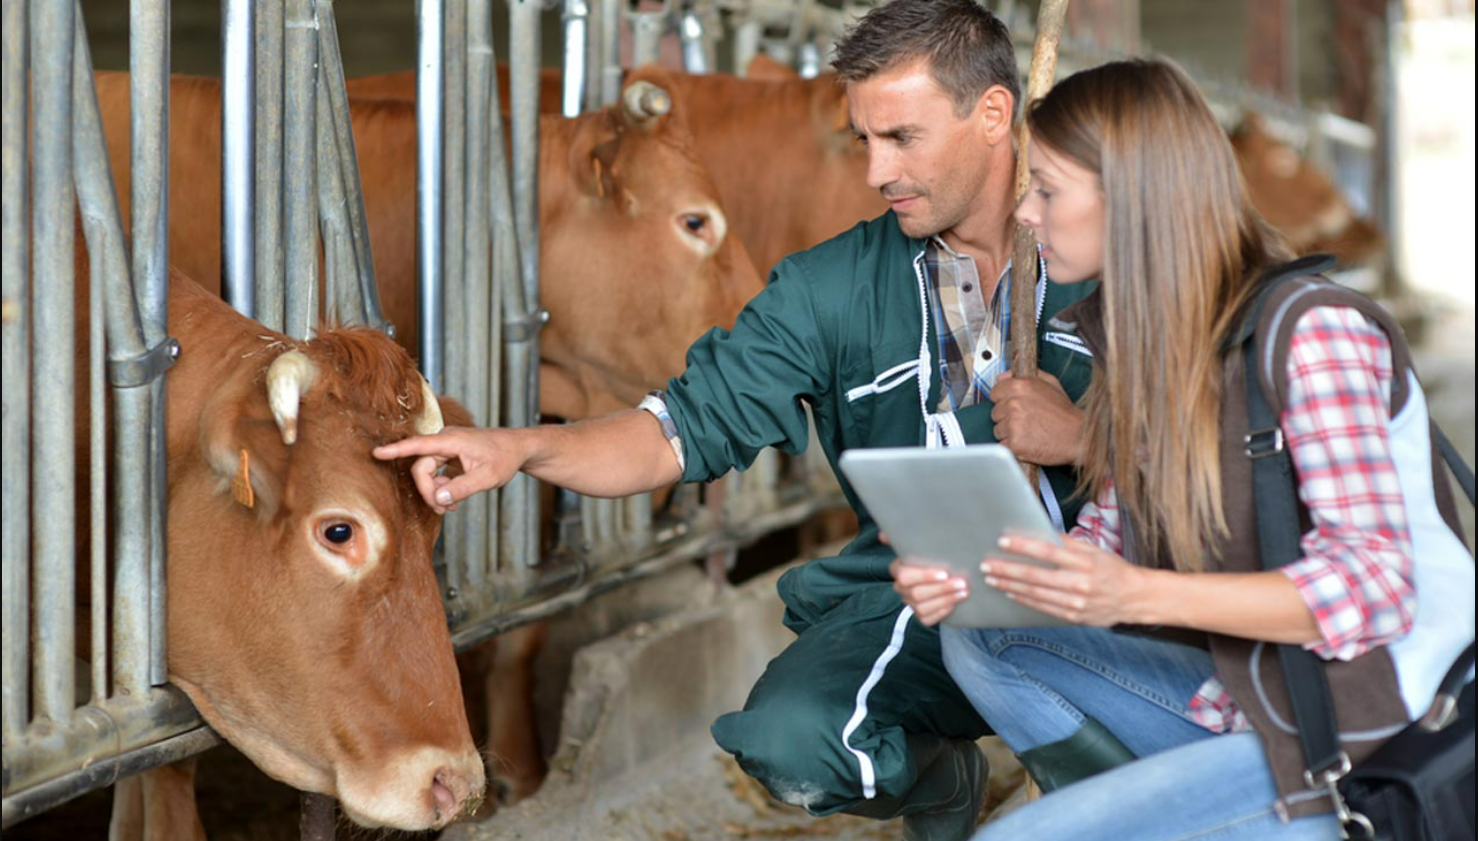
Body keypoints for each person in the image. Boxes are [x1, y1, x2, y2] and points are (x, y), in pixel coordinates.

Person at [373, 2, 1100, 837]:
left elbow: (1239, 446)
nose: (875, 171)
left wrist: (1083, 439)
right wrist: (520, 447)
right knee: (790, 741)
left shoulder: (1109, 245)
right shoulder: (833, 286)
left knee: (1152, 739)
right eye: (864, 140)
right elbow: (674, 429)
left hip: (1121, 583)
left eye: (903, 137)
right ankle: (939, 782)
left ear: (995, 115)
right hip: (931, 597)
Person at [893, 57, 1476, 841]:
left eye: (1049, 190)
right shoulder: (1148, 354)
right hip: (1251, 701)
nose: (1024, 214)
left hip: (1371, 738)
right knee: (985, 631)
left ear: (1132, 199)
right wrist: (974, 573)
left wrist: (1134, 594)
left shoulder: (1311, 334)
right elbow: (1098, 551)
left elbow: (1371, 587)